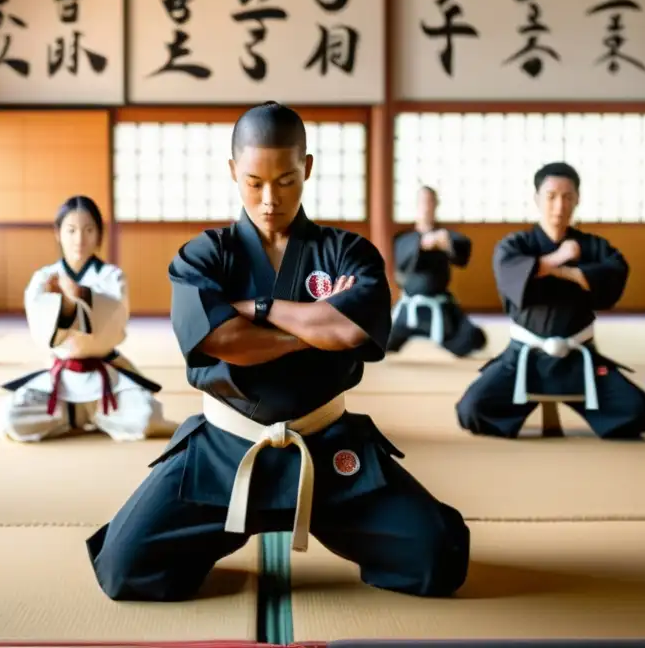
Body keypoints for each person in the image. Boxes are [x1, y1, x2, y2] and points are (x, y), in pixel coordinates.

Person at [87, 102, 469, 602]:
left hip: (327, 445)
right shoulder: (205, 255)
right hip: (225, 448)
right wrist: (314, 325)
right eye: (254, 182)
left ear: (306, 168)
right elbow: (224, 342)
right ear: (232, 172)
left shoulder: (348, 253)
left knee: (438, 558)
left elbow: (351, 331)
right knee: (123, 567)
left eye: (286, 181)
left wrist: (256, 308)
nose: (270, 199)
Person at [455, 162, 645, 440]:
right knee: (473, 410)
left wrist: (562, 271)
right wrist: (561, 259)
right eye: (551, 196)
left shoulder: (594, 246)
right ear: (537, 198)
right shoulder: (516, 244)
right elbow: (510, 270)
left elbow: (614, 272)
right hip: (524, 357)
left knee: (638, 413)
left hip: (580, 359)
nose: (559, 205)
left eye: (567, 197)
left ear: (578, 199)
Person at [0, 196, 165, 442]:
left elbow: (113, 326)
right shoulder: (44, 277)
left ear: (99, 234)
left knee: (146, 417)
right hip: (61, 380)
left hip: (105, 375)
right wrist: (67, 305)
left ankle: (91, 414)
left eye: (89, 230)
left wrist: (79, 295)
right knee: (10, 418)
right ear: (58, 233)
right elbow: (42, 331)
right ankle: (75, 415)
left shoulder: (112, 277)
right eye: (71, 230)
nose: (80, 239)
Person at [387, 186, 487, 357]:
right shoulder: (404, 238)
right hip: (409, 309)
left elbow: (461, 249)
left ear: (436, 205)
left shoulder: (445, 236)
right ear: (416, 206)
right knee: (376, 340)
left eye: (430, 202)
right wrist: (423, 243)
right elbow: (401, 259)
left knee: (473, 338)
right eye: (423, 202)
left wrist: (446, 243)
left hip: (440, 309)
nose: (426, 206)